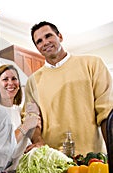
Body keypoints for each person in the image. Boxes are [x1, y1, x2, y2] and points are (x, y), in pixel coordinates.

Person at [24, 21, 113, 155]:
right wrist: (38, 141)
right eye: (39, 41)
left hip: (91, 158)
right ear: (37, 47)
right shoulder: (33, 81)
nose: (45, 42)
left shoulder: (92, 64)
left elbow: (107, 112)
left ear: (60, 36)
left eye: (48, 36)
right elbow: (32, 117)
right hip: (53, 162)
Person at [0, 64, 41, 170]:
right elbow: (2, 147)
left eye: (14, 79)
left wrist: (39, 142)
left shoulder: (19, 110)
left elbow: (33, 135)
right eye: (5, 79)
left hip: (23, 170)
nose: (10, 83)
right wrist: (26, 126)